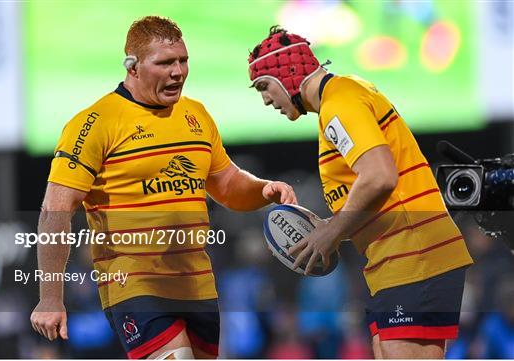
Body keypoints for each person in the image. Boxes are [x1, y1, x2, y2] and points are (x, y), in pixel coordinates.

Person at [30, 16, 297, 359]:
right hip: (135, 285)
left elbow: (227, 184)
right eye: (165, 62)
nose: (178, 71)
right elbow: (55, 210)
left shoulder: (196, 115)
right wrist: (51, 295)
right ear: (134, 66)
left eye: (183, 60)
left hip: (196, 284)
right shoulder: (95, 123)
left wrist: (262, 190)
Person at [247, 26, 474, 359]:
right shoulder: (343, 97)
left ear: (287, 73)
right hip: (399, 257)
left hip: (415, 252)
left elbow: (380, 176)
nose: (266, 99)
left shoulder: (340, 103)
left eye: (264, 86)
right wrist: (328, 229)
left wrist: (332, 232)